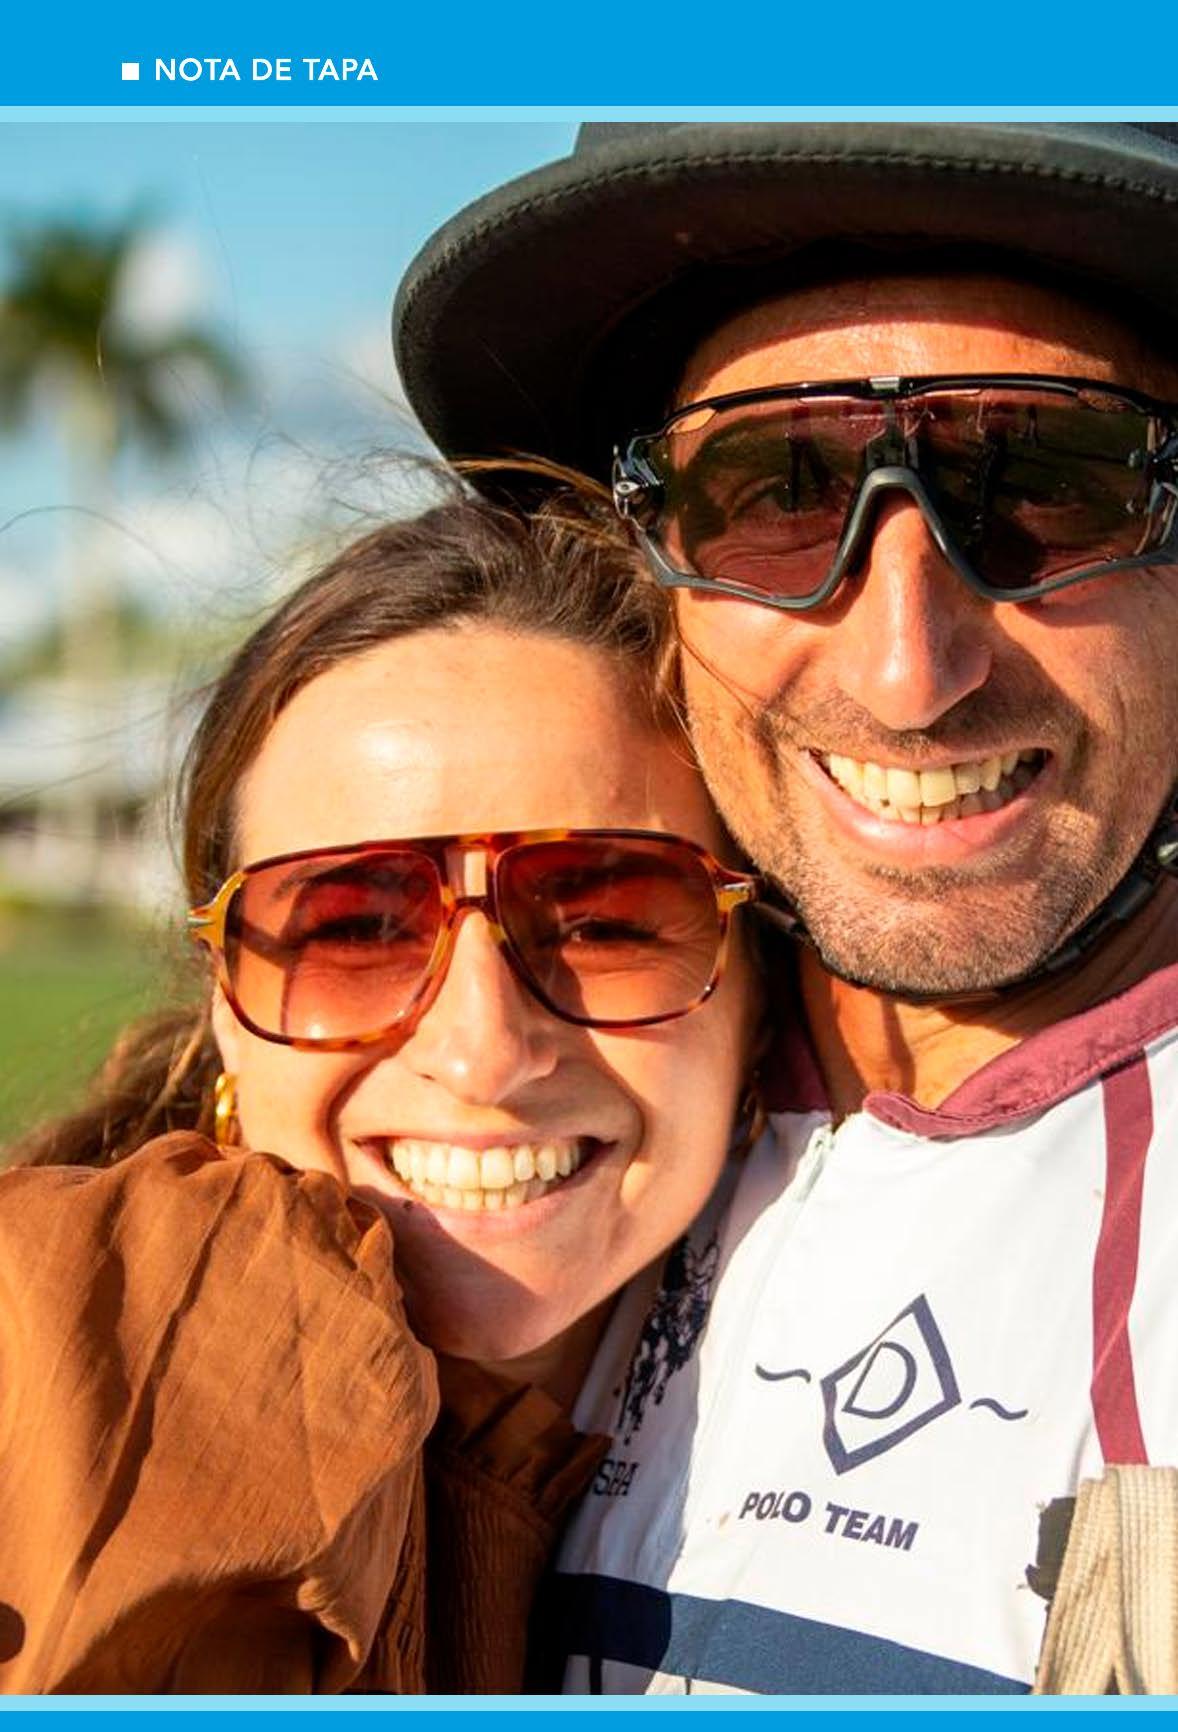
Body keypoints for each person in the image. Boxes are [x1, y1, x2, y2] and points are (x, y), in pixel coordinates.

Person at [394, 123, 1178, 1693]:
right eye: (775, 491)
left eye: (1048, 481)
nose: (907, 672)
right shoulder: (512, 1135)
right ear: (645, 564)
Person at [0, 473, 764, 1694]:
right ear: (224, 999)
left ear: (754, 980)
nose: (481, 1048)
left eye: (605, 916)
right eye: (354, 927)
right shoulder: (67, 1352)